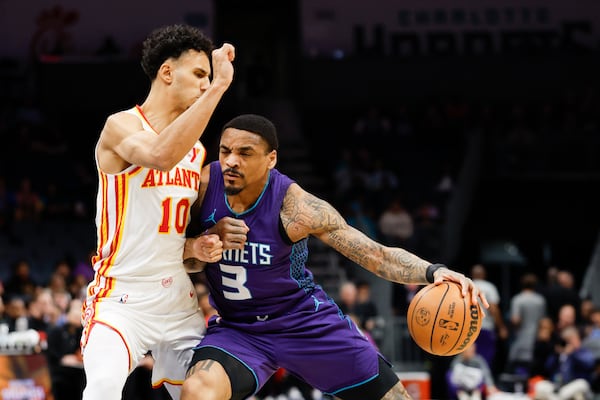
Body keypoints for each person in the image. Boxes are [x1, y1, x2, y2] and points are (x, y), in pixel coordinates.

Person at [180, 114, 488, 400]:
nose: (231, 161)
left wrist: (434, 271)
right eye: (224, 151)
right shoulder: (204, 188)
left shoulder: (296, 206)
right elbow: (166, 255)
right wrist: (197, 246)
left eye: (245, 153)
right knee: (196, 391)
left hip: (303, 322)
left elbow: (374, 255)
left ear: (271, 158)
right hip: (239, 330)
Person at [80, 23, 235, 400]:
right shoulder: (120, 126)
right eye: (199, 74)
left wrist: (197, 247)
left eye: (208, 78)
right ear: (167, 72)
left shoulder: (197, 150)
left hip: (177, 301)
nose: (203, 84)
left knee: (207, 392)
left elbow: (173, 241)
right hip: (120, 299)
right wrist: (218, 87)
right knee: (101, 388)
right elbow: (161, 157)